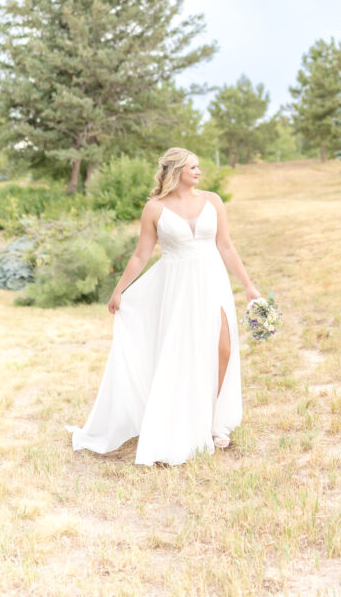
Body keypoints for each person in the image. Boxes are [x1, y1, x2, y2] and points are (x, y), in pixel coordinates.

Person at [66, 147, 261, 465]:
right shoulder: (154, 208)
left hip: (213, 282)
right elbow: (141, 254)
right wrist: (119, 290)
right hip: (178, 287)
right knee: (184, 352)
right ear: (176, 172)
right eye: (192, 167)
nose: (199, 171)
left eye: (199, 166)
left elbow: (225, 245)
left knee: (223, 347)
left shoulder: (212, 201)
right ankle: (189, 420)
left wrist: (249, 286)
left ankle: (214, 420)